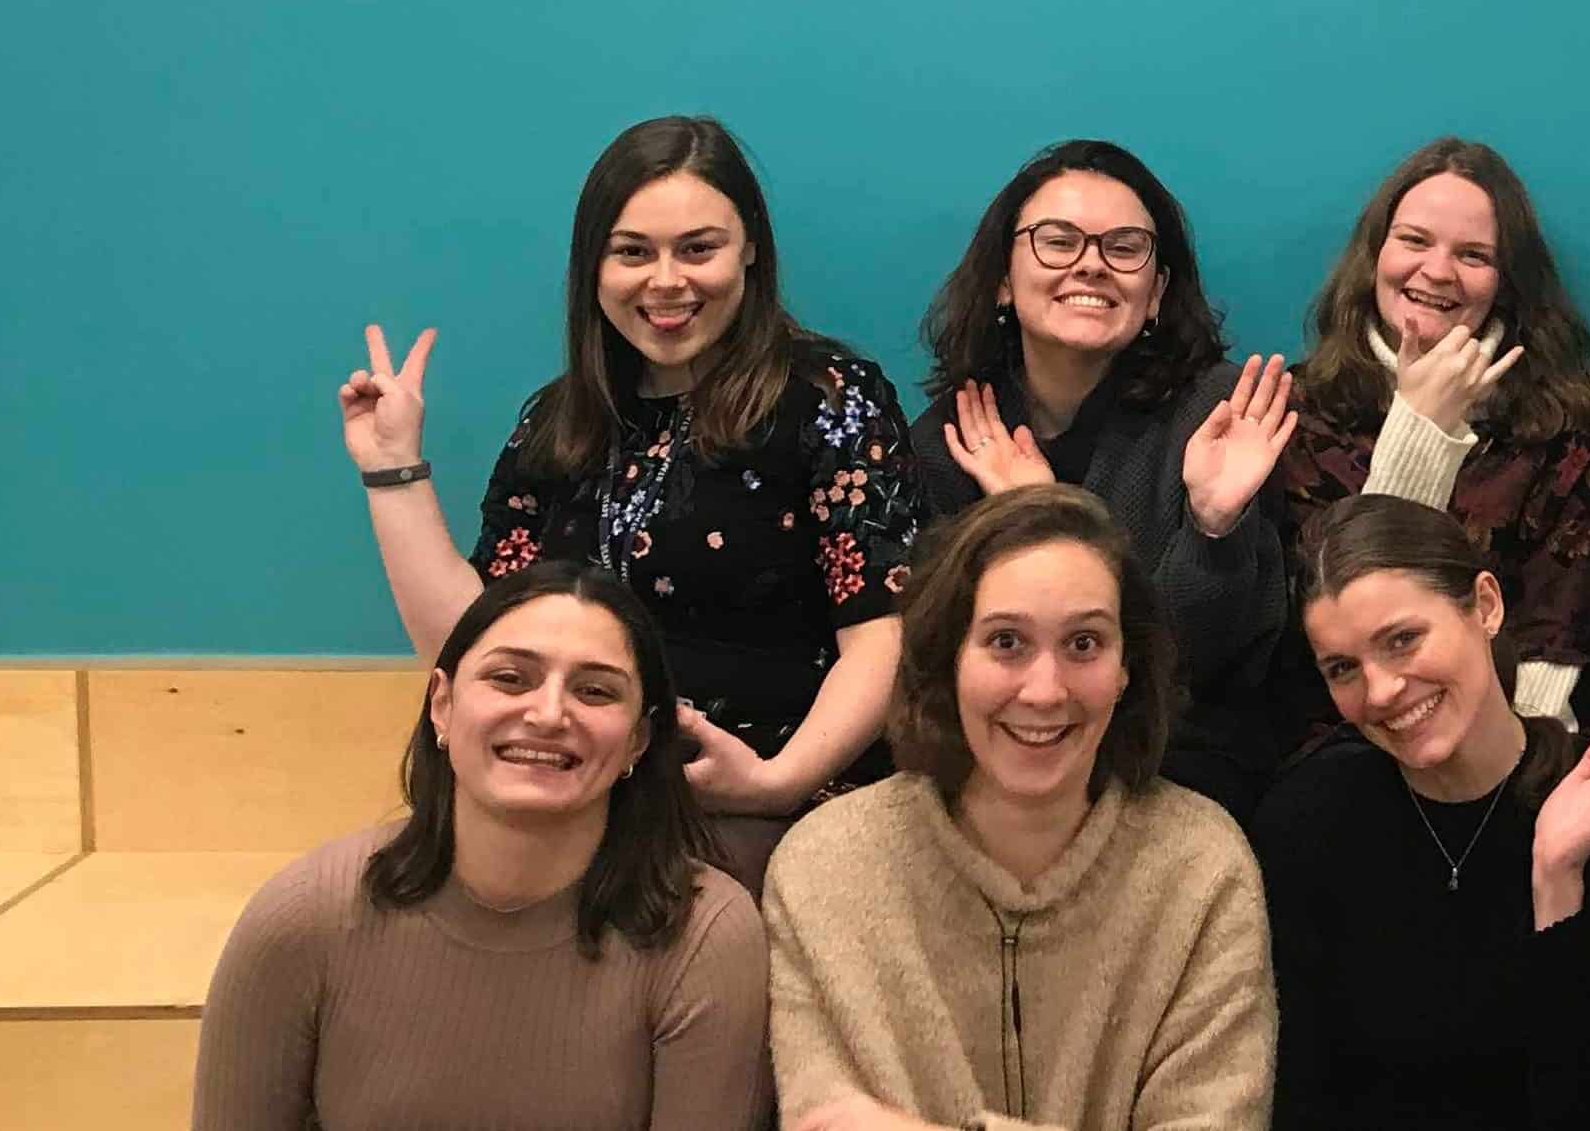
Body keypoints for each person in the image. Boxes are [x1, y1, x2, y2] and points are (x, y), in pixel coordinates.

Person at [340, 115, 923, 888]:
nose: (667, 281)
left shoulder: (829, 401)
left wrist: (774, 783)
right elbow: (473, 645)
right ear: (594, 266)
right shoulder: (557, 425)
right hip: (572, 794)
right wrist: (393, 470)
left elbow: (884, 634)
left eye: (698, 248)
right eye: (633, 252)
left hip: (767, 815)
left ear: (750, 249)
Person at [762, 485, 1273, 1131]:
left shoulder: (1203, 867)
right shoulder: (824, 870)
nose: (1044, 690)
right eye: (1006, 642)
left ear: (1126, 669)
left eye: (1084, 644)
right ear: (947, 658)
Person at [194, 564, 770, 1130]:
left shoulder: (705, 935)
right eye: (510, 679)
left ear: (638, 742)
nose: (548, 715)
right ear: (441, 705)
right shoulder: (303, 917)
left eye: (594, 691)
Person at [1254, 495, 1590, 1130]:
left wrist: (1556, 886)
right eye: (1343, 668)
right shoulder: (1308, 823)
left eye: (1403, 640)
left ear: (1485, 606)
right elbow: (1305, 1097)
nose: (1380, 691)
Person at [909, 140, 1302, 821]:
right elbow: (937, 657)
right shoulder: (959, 432)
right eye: (1057, 240)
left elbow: (1201, 668)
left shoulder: (1221, 414)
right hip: (999, 760)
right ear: (1003, 277)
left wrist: (1212, 530)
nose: (1091, 263)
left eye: (1124, 247)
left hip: (1181, 771)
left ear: (1156, 293)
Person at [1271, 139, 1590, 733]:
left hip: (1525, 736)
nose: (1438, 271)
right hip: (1348, 731)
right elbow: (1331, 619)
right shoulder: (1300, 409)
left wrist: (1501, 760)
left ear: (1506, 279)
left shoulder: (1567, 423)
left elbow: (1565, 637)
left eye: (1474, 255)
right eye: (1415, 241)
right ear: (1375, 254)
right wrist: (1418, 428)